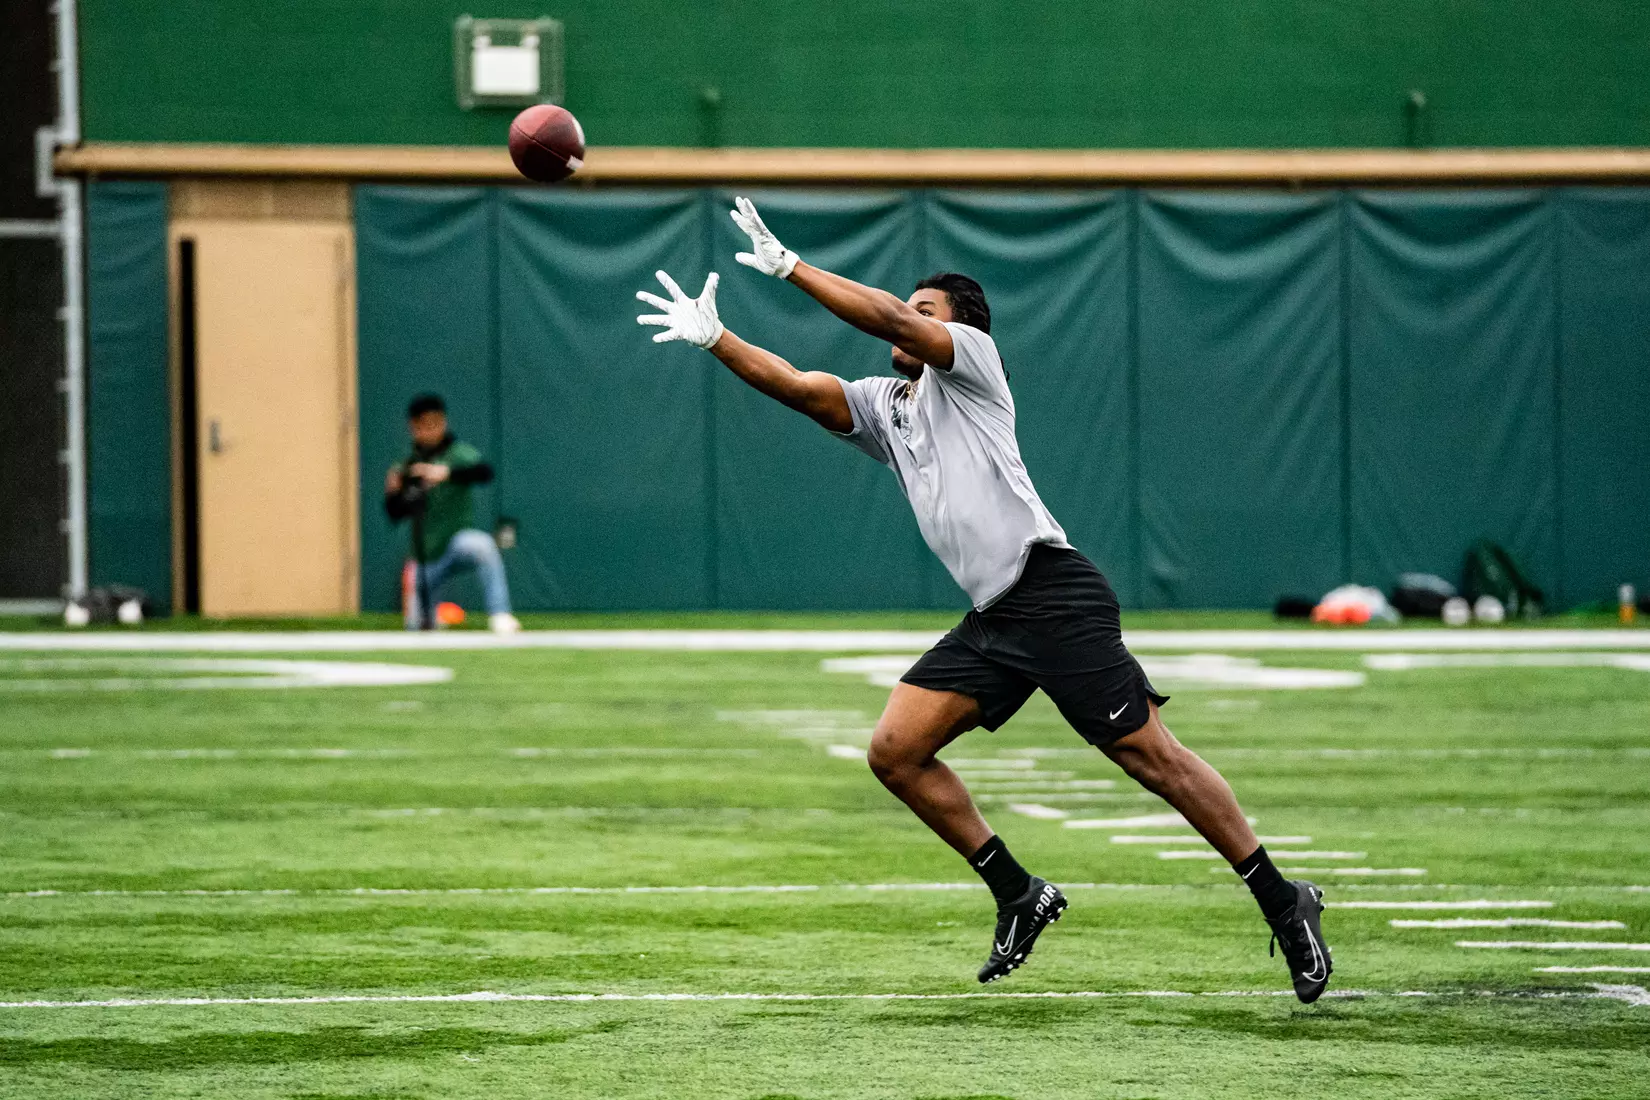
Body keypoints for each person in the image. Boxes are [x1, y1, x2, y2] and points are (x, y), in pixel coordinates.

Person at [633, 198, 1332, 1002]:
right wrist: (718, 340)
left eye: (924, 312)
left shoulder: (972, 366)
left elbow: (890, 314)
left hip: (1054, 595)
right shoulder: (888, 407)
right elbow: (797, 386)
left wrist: (791, 267)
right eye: (912, 311)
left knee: (1151, 758)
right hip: (996, 618)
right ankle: (1017, 892)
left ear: (959, 328)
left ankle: (1284, 900)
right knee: (895, 752)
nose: (907, 323)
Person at [384, 393, 520, 634]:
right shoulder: (407, 466)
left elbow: (484, 472)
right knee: (417, 626)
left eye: (436, 423)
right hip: (426, 556)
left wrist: (446, 473)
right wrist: (394, 493)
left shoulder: (456, 453)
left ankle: (500, 614)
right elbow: (395, 514)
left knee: (483, 546)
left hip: (456, 541)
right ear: (413, 428)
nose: (432, 431)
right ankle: (433, 617)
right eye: (424, 425)